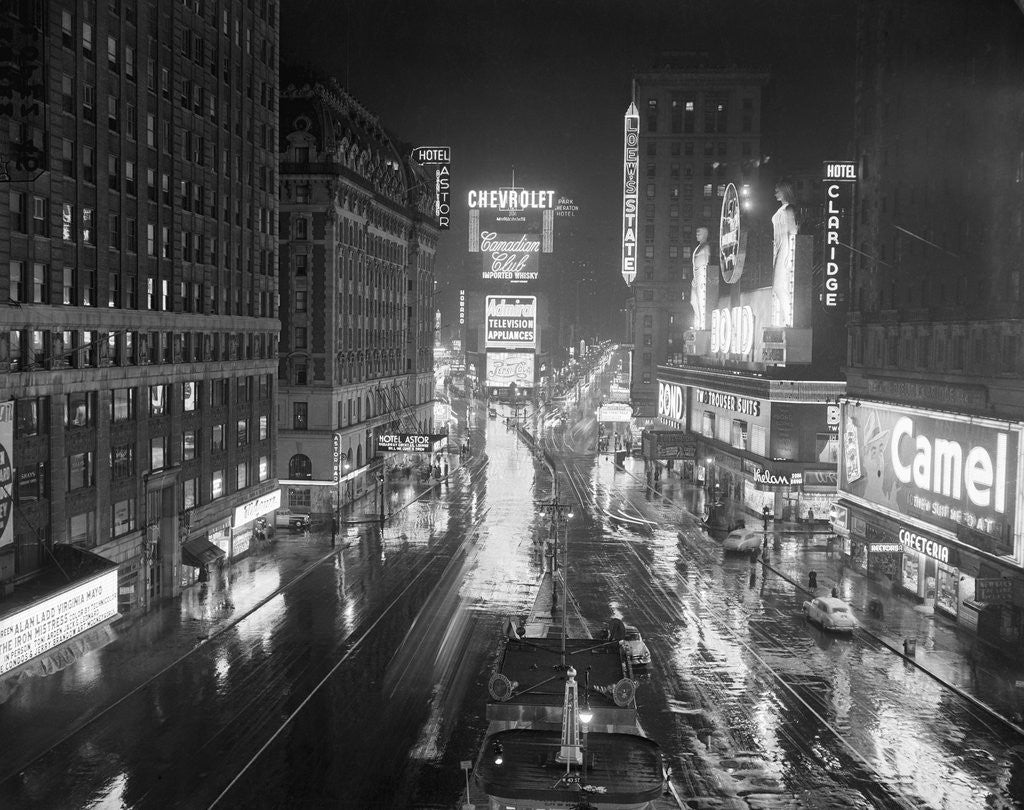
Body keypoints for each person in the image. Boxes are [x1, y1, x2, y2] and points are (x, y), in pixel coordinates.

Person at [771, 180, 799, 327]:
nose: (775, 193)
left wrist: (789, 255)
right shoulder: (781, 209)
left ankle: (789, 319)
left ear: (785, 191)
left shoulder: (788, 209)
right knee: (778, 287)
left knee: (780, 286)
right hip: (778, 248)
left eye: (778, 190)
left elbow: (793, 231)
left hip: (785, 248)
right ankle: (785, 318)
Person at [690, 226, 710, 329]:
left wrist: (703, 278)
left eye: (700, 233)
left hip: (702, 275)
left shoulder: (705, 247)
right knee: (693, 301)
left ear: (705, 234)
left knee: (701, 301)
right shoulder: (699, 247)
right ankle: (698, 324)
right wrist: (694, 278)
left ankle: (702, 325)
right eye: (697, 233)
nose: (697, 235)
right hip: (696, 277)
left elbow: (706, 262)